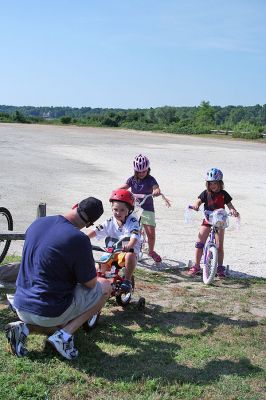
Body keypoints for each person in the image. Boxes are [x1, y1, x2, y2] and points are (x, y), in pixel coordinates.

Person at [5, 197, 112, 360]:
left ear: (75, 205)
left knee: (58, 321)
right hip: (49, 311)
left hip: (20, 304)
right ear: (90, 224)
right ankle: (64, 336)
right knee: (104, 286)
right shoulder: (79, 239)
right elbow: (90, 283)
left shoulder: (37, 224)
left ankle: (24, 328)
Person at [188, 168, 239, 278]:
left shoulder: (224, 194)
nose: (213, 186)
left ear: (220, 183)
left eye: (215, 183)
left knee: (219, 245)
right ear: (207, 184)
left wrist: (232, 210)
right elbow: (198, 201)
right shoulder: (205, 193)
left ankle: (220, 267)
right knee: (199, 242)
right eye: (210, 184)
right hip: (208, 219)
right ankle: (196, 265)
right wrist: (196, 205)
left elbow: (229, 205)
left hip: (220, 221)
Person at [88, 189, 140, 293]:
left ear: (129, 210)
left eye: (122, 210)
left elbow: (135, 236)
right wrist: (83, 238)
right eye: (115, 209)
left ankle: (127, 280)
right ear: (112, 208)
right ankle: (97, 288)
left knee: (130, 255)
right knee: (97, 268)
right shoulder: (110, 221)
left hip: (126, 252)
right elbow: (96, 230)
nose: (118, 213)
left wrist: (129, 245)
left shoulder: (132, 221)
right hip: (111, 251)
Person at [119, 154, 162, 263]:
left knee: (150, 232)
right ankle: (126, 247)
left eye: (144, 171)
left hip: (147, 208)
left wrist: (156, 191)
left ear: (148, 170)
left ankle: (151, 251)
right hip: (135, 208)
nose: (142, 173)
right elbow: (125, 186)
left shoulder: (151, 180)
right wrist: (118, 190)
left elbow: (156, 188)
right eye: (139, 172)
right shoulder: (132, 179)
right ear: (135, 171)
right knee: (128, 228)